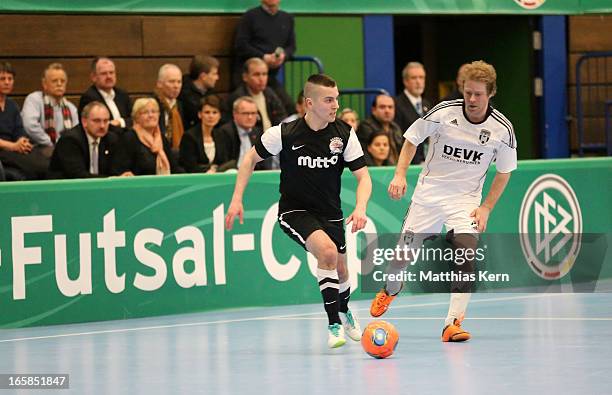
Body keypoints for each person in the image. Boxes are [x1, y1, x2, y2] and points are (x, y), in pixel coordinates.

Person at [370, 60, 517, 342]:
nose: (471, 99)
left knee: (466, 252)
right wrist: (400, 174)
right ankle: (390, 290)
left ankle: (452, 324)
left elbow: (504, 171)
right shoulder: (442, 112)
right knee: (401, 259)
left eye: (478, 94)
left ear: (491, 94)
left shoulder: (502, 129)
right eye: (467, 92)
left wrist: (486, 207)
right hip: (428, 196)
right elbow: (412, 139)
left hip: (464, 201)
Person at [225, 74, 372, 348]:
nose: (335, 105)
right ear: (309, 103)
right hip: (295, 211)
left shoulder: (344, 134)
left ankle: (344, 310)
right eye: (329, 100)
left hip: (331, 212)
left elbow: (364, 177)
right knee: (327, 253)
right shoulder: (284, 133)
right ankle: (334, 324)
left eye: (336, 99)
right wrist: (237, 199)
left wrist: (361, 206)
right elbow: (249, 159)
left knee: (341, 269)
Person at [233, 0, 296, 115]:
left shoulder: (287, 18)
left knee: (289, 107)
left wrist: (283, 56)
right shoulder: (250, 16)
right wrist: (263, 57)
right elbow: (241, 45)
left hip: (271, 77)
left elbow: (291, 47)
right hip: (249, 77)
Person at [48, 101, 129, 179]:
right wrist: (110, 179)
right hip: (66, 189)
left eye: (106, 121)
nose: (102, 126)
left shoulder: (111, 139)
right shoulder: (70, 140)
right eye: (97, 121)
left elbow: (115, 170)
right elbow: (78, 175)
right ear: (84, 122)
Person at [0, 61, 49, 180]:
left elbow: (20, 130)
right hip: (3, 150)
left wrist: (22, 141)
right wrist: (13, 146)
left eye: (10, 79)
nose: (7, 82)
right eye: (2, 79)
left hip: (14, 149)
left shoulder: (12, 105)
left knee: (45, 162)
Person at [112, 98, 181, 176]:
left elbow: (174, 167)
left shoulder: (161, 138)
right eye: (145, 112)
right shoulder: (129, 138)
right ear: (136, 117)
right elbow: (120, 170)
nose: (151, 115)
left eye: (154, 112)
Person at [21, 63, 79, 155]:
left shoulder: (71, 108)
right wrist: (51, 143)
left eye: (62, 81)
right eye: (54, 81)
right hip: (38, 148)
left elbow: (77, 133)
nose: (59, 84)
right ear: (45, 84)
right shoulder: (34, 99)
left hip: (65, 149)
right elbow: (30, 126)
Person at [179, 95, 234, 173]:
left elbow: (225, 162)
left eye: (214, 112)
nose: (211, 116)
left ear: (219, 116)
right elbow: (189, 166)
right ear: (200, 114)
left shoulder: (221, 135)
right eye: (207, 112)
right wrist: (208, 169)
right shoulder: (189, 137)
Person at [78, 57, 132, 134]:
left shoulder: (122, 94)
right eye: (104, 73)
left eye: (111, 72)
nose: (109, 76)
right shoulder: (89, 98)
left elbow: (135, 120)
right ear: (93, 77)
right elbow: (99, 127)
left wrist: (120, 122)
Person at [394, 62, 431, 164]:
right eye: (414, 78)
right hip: (409, 162)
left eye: (421, 77)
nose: (418, 82)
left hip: (427, 162)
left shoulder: (427, 104)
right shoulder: (396, 104)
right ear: (405, 81)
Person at [356, 94, 402, 163]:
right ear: (373, 110)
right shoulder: (366, 127)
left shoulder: (396, 128)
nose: (387, 111)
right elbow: (364, 156)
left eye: (390, 107)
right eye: (382, 107)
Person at [179, 55, 220, 129]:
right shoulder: (184, 95)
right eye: (214, 74)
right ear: (203, 76)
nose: (217, 78)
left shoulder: (211, 93)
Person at [154, 64, 185, 150]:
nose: (176, 86)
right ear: (159, 84)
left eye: (179, 82)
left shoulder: (180, 105)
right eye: (171, 82)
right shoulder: (152, 104)